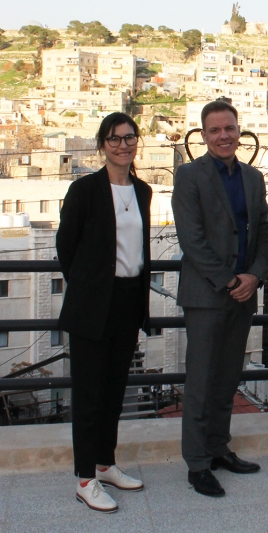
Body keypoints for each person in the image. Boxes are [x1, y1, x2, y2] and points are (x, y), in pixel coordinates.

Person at [172, 100, 268, 497]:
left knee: (228, 376)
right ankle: (197, 464)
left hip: (243, 294)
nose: (223, 136)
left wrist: (255, 275)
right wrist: (231, 281)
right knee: (201, 380)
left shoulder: (253, 177)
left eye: (229, 128)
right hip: (207, 294)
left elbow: (263, 231)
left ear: (238, 131)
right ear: (204, 135)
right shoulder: (188, 175)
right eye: (215, 130)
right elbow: (191, 239)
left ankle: (218, 447)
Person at [57, 112, 151, 513]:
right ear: (102, 144)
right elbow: (66, 247)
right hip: (93, 304)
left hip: (129, 300)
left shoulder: (143, 190)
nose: (122, 145)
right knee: (89, 394)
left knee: (114, 389)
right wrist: (89, 287)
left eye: (129, 137)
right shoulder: (84, 190)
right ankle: (85, 479)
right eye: (114, 138)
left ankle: (104, 463)